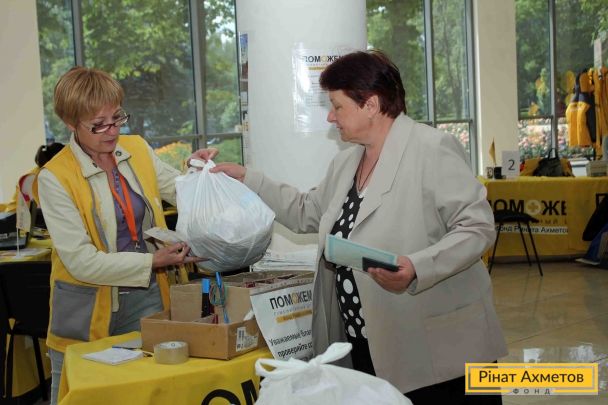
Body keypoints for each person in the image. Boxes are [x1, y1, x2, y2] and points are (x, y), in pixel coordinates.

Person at [200, 50, 507, 404]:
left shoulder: (431, 148)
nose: (330, 116)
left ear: (371, 104)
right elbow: (306, 212)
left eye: (337, 106)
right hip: (366, 345)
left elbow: (477, 227)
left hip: (440, 352)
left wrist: (417, 267)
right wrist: (247, 178)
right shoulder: (346, 163)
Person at [37, 66, 206, 405]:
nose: (112, 130)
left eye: (116, 117)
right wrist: (152, 261)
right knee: (80, 393)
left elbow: (181, 191)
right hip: (86, 307)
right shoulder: (54, 177)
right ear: (71, 123)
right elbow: (81, 262)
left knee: (149, 391)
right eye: (98, 124)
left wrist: (200, 173)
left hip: (147, 295)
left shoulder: (136, 149)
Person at [1, 142, 65, 213]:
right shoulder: (33, 177)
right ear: (56, 158)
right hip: (14, 217)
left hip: (29, 216)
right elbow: (39, 208)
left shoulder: (49, 174)